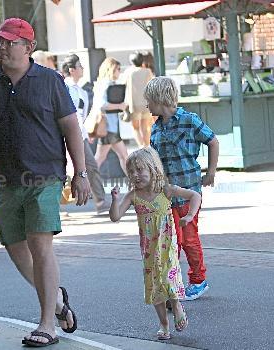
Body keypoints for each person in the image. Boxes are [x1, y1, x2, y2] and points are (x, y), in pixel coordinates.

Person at [0, 18, 91, 347]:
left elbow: (71, 129)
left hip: (45, 177)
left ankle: (47, 324)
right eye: (0, 41)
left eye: (9, 42)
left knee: (40, 246)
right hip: (6, 181)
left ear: (29, 47)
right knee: (15, 248)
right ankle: (60, 304)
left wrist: (81, 173)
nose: (2, 47)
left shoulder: (50, 81)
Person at [109, 147, 201, 340]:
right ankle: (163, 324)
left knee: (168, 279)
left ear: (153, 169)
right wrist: (115, 200)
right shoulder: (133, 196)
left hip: (168, 246)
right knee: (154, 286)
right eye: (131, 171)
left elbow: (195, 196)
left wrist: (190, 215)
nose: (135, 175)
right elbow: (115, 216)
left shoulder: (166, 190)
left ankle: (176, 304)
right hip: (149, 250)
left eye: (140, 170)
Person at [145, 77, 219, 301]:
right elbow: (154, 161)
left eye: (149, 101)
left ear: (160, 99)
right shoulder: (156, 128)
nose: (147, 106)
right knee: (171, 240)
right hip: (166, 196)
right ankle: (172, 281)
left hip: (188, 192)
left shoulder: (189, 121)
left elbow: (213, 141)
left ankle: (198, 280)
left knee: (188, 238)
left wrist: (211, 172)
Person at [62, 54, 109, 214]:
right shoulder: (62, 88)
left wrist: (84, 131)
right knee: (63, 170)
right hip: (62, 136)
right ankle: (58, 205)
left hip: (79, 135)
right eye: (80, 66)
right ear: (72, 70)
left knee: (91, 165)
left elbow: (82, 116)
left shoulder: (81, 92)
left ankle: (100, 201)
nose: (82, 69)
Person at [92, 57, 129, 176]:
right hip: (108, 126)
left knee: (103, 158)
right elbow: (102, 105)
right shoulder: (105, 84)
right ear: (111, 69)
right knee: (121, 156)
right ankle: (85, 183)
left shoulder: (108, 83)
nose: (119, 71)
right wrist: (120, 105)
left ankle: (86, 182)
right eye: (118, 69)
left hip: (110, 126)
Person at [123, 52, 156, 147]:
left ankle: (141, 146)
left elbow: (122, 84)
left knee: (136, 128)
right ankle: (146, 147)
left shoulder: (128, 72)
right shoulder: (147, 71)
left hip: (133, 104)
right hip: (146, 103)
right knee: (145, 127)